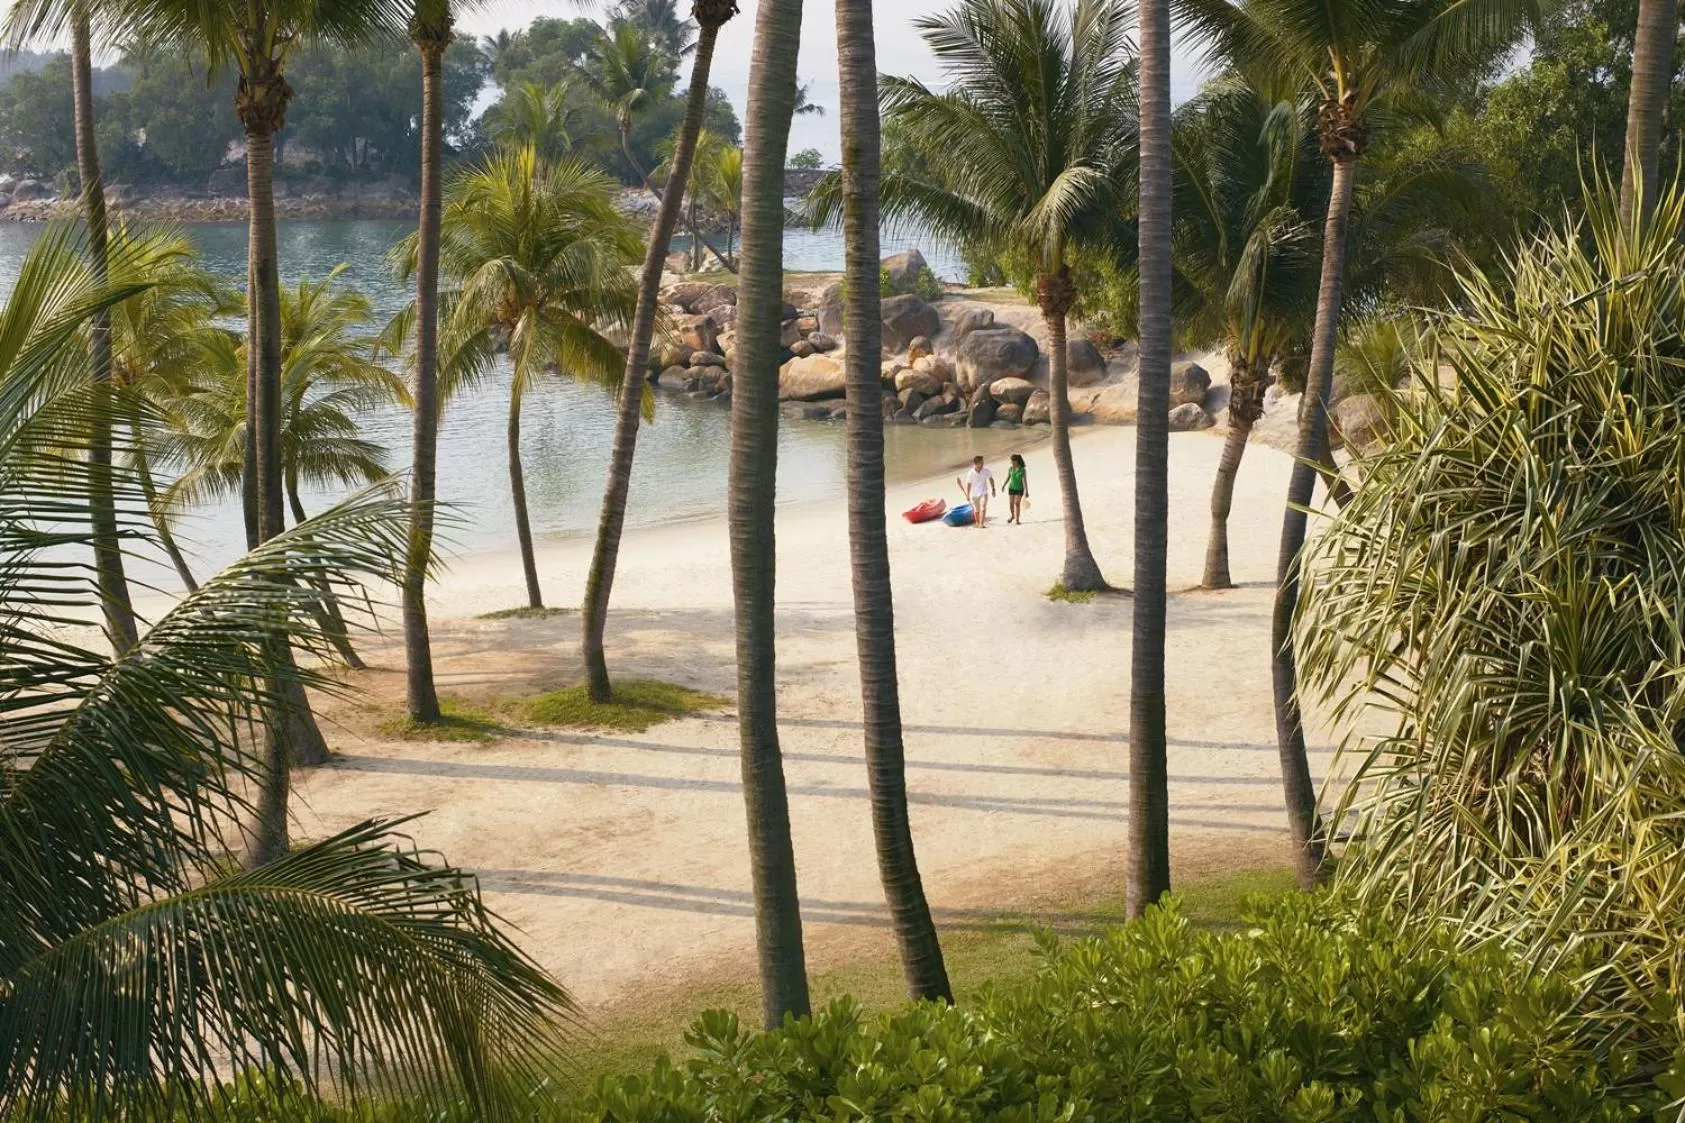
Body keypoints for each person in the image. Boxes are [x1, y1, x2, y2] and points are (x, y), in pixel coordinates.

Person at [957, 454, 996, 529]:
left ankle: (981, 524)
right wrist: (968, 494)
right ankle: (977, 523)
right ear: (976, 463)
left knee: (983, 507)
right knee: (977, 510)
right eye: (981, 462)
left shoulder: (986, 470)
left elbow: (991, 479)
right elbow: (968, 484)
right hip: (974, 494)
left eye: (983, 462)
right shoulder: (970, 473)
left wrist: (993, 489)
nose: (983, 464)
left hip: (984, 492)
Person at [1005, 453, 1029, 524]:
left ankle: (1017, 520)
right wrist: (1004, 485)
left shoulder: (1022, 469)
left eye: (1013, 461)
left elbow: (1024, 480)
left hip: (1019, 489)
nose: (1011, 462)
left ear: (1017, 461)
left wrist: (1026, 491)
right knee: (1011, 503)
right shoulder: (1010, 468)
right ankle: (1012, 516)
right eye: (1011, 461)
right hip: (1011, 488)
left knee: (1017, 503)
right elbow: (1008, 477)